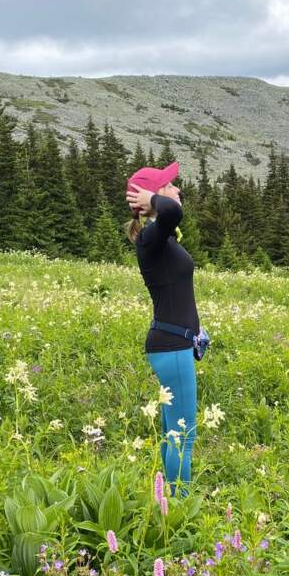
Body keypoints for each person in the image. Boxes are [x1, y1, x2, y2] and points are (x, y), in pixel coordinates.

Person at [124, 161, 199, 498]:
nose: (177, 189)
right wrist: (154, 199)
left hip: (174, 343)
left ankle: (169, 498)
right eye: (170, 184)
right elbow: (171, 211)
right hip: (171, 346)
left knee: (175, 433)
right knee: (184, 435)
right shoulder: (153, 234)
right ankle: (179, 506)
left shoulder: (158, 237)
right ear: (150, 196)